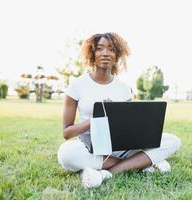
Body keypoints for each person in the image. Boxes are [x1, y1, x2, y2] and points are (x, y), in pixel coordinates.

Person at [57, 32, 181, 188]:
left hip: (120, 145)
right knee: (65, 154)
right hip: (91, 145)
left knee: (173, 141)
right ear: (92, 53)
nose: (105, 53)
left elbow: (130, 125)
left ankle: (106, 173)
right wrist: (94, 121)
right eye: (100, 48)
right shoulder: (77, 85)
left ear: (117, 55)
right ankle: (141, 163)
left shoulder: (123, 89)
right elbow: (67, 133)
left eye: (111, 49)